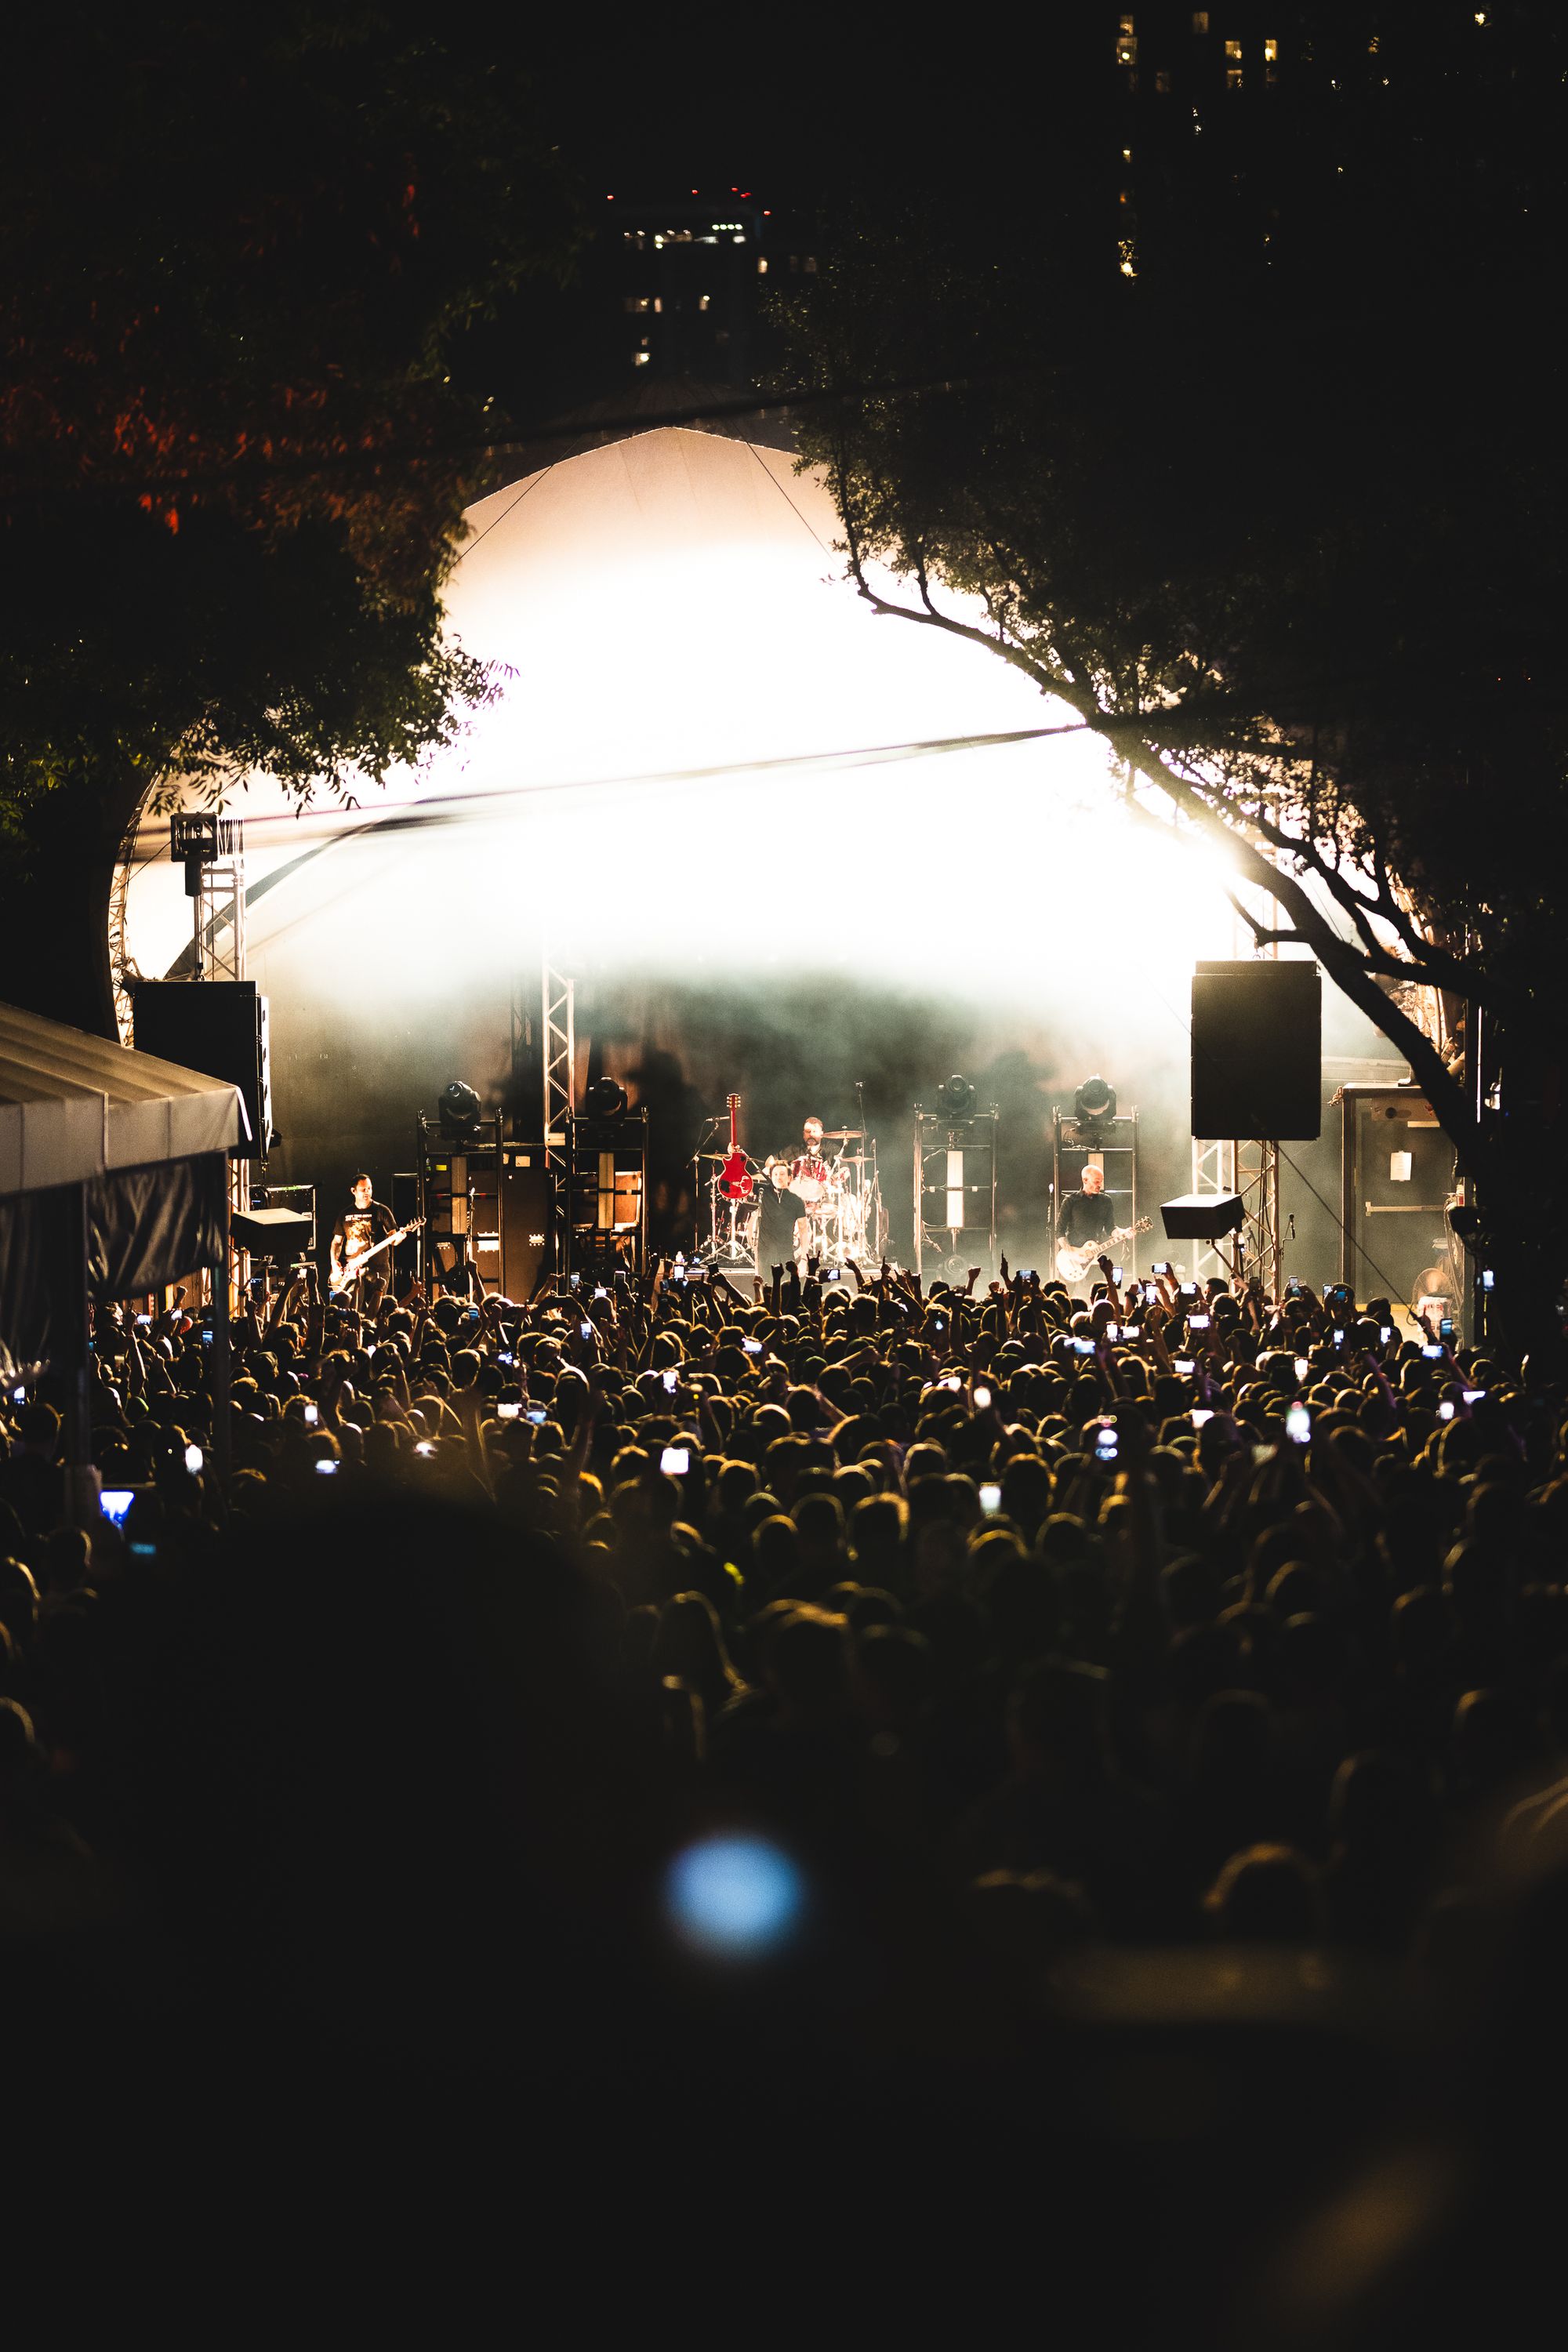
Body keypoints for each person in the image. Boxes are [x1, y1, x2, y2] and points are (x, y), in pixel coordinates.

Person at [329, 1173, 398, 1312]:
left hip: (378, 1269)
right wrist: (334, 1264)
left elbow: (394, 1239)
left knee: (377, 1309)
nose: (367, 1192)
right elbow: (337, 1242)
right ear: (353, 1191)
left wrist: (399, 1237)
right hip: (353, 1270)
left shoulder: (381, 1211)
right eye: (363, 1189)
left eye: (369, 1188)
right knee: (354, 1307)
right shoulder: (345, 1214)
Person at [757, 1158, 809, 1274]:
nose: (778, 1177)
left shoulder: (796, 1201)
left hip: (786, 1254)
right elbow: (738, 1180)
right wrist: (733, 1153)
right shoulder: (763, 1192)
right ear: (770, 1177)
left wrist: (804, 1260)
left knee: (787, 1290)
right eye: (775, 1174)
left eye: (782, 1174)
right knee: (765, 1290)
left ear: (790, 1177)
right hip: (765, 1254)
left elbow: (804, 1230)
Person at [1058, 1162, 1116, 1252]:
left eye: (1101, 1181)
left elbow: (1110, 1228)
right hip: (1075, 1255)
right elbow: (1059, 1230)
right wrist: (1070, 1252)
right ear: (1085, 1180)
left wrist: (1124, 1232)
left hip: (1097, 1254)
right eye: (1096, 1181)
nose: (1100, 1185)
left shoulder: (1106, 1200)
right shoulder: (1070, 1201)